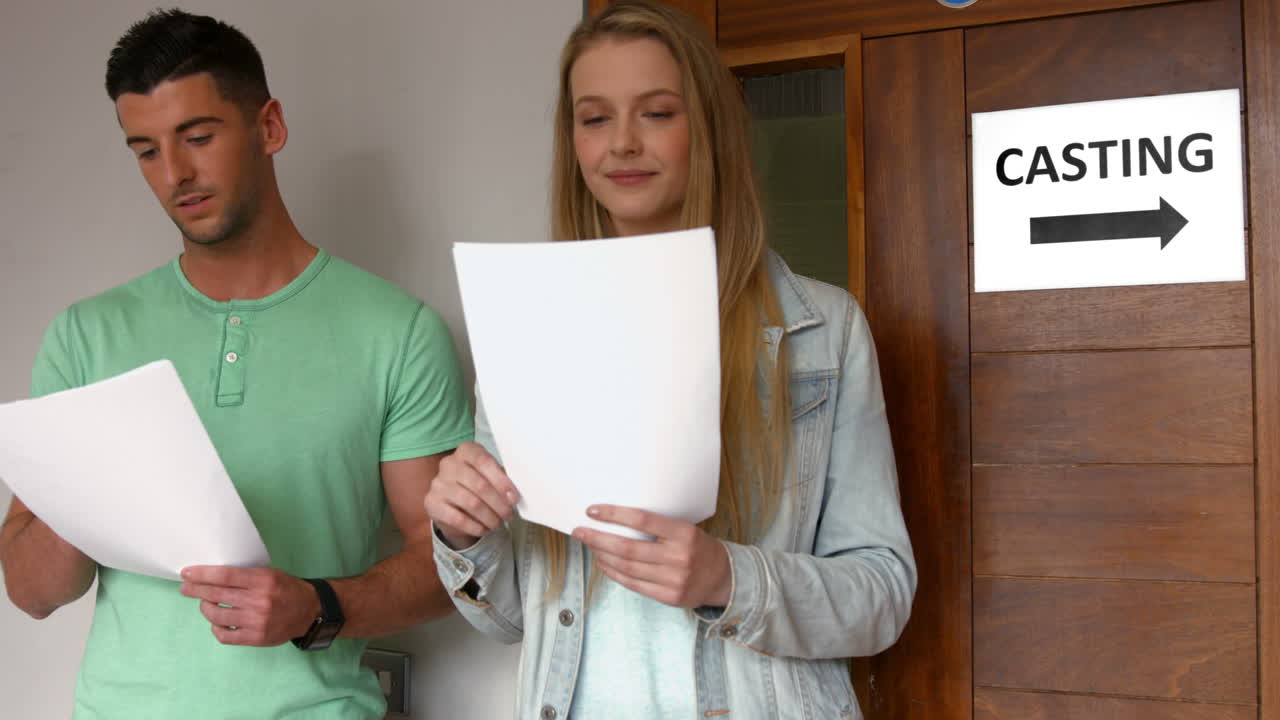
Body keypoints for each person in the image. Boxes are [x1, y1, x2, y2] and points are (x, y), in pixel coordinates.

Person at [424, 2, 916, 718]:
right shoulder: (529, 326)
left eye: (656, 113)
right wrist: (462, 533)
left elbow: (882, 597)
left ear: (708, 129)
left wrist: (727, 577)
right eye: (594, 118)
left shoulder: (823, 330)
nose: (622, 143)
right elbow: (504, 619)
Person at [0, 9, 472, 719]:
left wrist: (317, 606)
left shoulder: (397, 333)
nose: (175, 174)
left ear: (269, 127)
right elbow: (33, 592)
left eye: (198, 136)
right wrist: (95, 477)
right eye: (146, 150)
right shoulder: (86, 336)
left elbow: (448, 572)